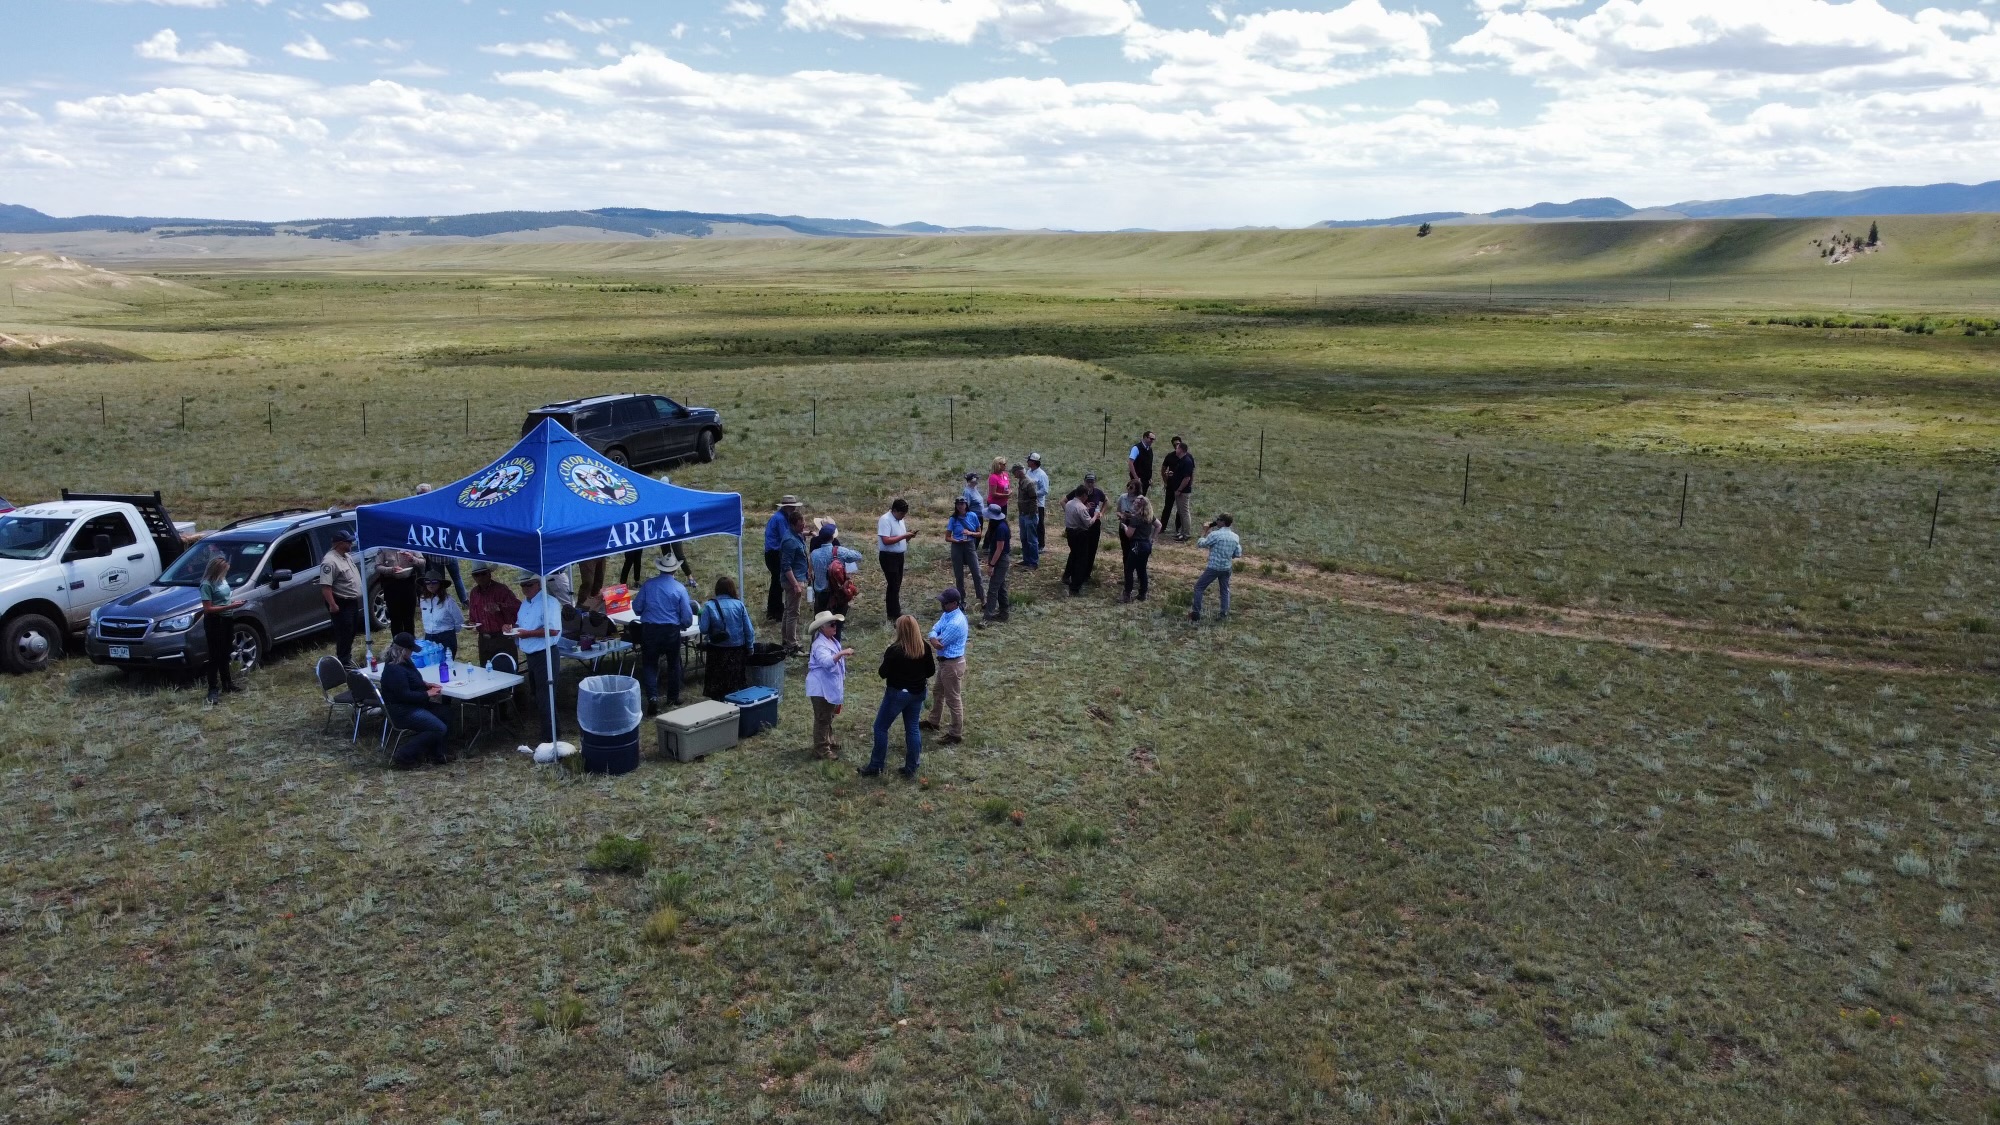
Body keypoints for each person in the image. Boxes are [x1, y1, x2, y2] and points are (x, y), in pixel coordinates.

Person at [859, 615, 935, 780]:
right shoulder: (924, 647)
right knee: (912, 729)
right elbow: (930, 672)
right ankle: (911, 767)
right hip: (918, 693)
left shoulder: (895, 650)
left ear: (900, 630)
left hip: (897, 694)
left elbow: (882, 673)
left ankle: (876, 765)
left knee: (880, 728)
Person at [378, 631, 451, 768]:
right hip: (402, 710)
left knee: (445, 713)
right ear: (403, 650)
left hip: (413, 705)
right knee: (438, 728)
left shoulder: (405, 662)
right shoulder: (394, 670)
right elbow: (404, 695)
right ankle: (405, 754)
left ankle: (437, 753)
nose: (413, 652)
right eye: (411, 650)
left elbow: (411, 680)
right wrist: (427, 694)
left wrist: (424, 684)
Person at [635, 555, 694, 711]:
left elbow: (637, 607)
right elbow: (687, 616)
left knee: (649, 664)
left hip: (650, 629)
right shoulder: (680, 588)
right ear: (675, 569)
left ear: (660, 568)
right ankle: (672, 697)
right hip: (671, 630)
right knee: (674, 663)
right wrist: (682, 625)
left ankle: (653, 698)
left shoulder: (648, 585)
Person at [514, 574, 560, 744]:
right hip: (531, 654)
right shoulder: (525, 603)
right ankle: (548, 732)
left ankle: (551, 735)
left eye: (528, 585)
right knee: (537, 694)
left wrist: (528, 634)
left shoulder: (550, 603)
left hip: (545, 653)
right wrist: (512, 628)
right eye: (523, 585)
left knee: (545, 696)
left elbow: (554, 630)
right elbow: (521, 625)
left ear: (538, 584)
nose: (525, 588)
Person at [920, 588, 968, 746]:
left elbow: (940, 643)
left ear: (954, 603)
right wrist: (933, 636)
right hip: (946, 662)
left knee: (953, 699)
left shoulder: (956, 623)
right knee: (938, 692)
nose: (942, 604)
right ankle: (934, 721)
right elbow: (934, 630)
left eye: (944, 602)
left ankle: (955, 733)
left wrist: (933, 638)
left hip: (952, 664)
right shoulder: (947, 614)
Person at [699, 575, 755, 700]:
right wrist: (750, 647)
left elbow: (703, 629)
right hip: (737, 649)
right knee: (735, 684)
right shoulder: (739, 605)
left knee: (717, 685)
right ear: (732, 589)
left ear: (717, 589)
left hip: (716, 650)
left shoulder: (708, 606)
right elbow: (749, 630)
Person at [805, 610, 852, 760]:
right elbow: (826, 662)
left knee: (828, 716)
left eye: (835, 624)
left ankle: (827, 741)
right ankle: (821, 749)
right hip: (821, 688)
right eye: (832, 624)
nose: (835, 627)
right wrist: (841, 653)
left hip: (827, 686)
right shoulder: (819, 645)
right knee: (822, 719)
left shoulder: (830, 640)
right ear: (822, 628)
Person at [413, 484, 468, 602]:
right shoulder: (439, 507)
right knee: (454, 578)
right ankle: (462, 601)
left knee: (441, 579)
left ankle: (442, 600)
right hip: (446, 550)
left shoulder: (417, 509)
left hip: (435, 552)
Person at [199, 554, 242, 704]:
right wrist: (231, 606)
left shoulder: (222, 580)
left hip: (227, 619)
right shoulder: (206, 584)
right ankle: (212, 689)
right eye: (224, 571)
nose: (226, 574)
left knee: (225, 652)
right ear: (217, 570)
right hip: (215, 621)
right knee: (215, 655)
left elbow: (224, 597)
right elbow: (208, 608)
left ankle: (227, 683)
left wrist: (232, 603)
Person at [319, 528, 365, 666]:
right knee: (344, 632)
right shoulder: (330, 561)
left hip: (351, 601)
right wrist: (333, 605)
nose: (351, 543)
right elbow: (326, 587)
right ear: (339, 543)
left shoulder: (346, 556)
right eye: (348, 541)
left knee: (351, 630)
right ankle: (344, 662)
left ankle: (347, 656)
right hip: (340, 602)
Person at [1191, 512, 1244, 623]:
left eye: (1218, 519)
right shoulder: (1235, 537)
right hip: (1226, 567)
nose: (1216, 521)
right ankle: (1223, 614)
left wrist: (1204, 531)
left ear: (1223, 522)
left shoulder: (1215, 534)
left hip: (1213, 567)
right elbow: (1238, 553)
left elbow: (1201, 544)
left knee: (1199, 588)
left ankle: (1196, 613)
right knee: (1225, 590)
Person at [467, 563, 520, 667]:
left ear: (489, 574)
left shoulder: (501, 589)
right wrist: (470, 623)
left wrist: (500, 606)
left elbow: (517, 607)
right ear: (474, 577)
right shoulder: (474, 593)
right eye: (477, 575)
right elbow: (472, 616)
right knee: (486, 672)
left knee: (508, 672)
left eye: (483, 574)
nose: (480, 577)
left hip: (502, 638)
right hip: (484, 639)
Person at [809, 521, 863, 618]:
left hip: (820, 594)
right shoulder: (839, 551)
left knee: (820, 623)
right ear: (832, 537)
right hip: (837, 592)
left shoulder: (814, 554)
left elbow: (812, 571)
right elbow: (858, 556)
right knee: (838, 623)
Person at [876, 498, 914, 624]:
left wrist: (907, 537)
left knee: (897, 584)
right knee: (893, 584)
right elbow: (886, 540)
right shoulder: (885, 520)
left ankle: (895, 611)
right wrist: (904, 536)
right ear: (895, 510)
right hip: (888, 556)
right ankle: (893, 613)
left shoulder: (900, 520)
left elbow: (898, 538)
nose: (903, 516)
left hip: (899, 555)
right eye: (901, 513)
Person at [763, 495, 800, 622]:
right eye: (793, 506)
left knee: (776, 582)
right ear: (788, 507)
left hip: (773, 553)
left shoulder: (781, 517)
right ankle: (776, 611)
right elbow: (786, 537)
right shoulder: (781, 519)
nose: (795, 508)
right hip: (775, 553)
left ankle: (774, 610)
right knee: (778, 582)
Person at [779, 509, 810, 653]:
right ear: (792, 525)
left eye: (803, 524)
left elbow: (800, 533)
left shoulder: (794, 535)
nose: (802, 527)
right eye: (800, 525)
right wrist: (796, 585)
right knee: (793, 613)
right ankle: (792, 643)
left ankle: (786, 639)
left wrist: (807, 533)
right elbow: (786, 566)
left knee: (788, 610)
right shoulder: (790, 541)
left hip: (797, 578)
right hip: (793, 580)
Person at [945, 496, 985, 608]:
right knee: (959, 575)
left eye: (962, 504)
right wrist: (956, 540)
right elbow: (947, 537)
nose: (960, 506)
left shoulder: (972, 516)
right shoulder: (953, 519)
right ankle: (961, 599)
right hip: (957, 546)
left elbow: (979, 533)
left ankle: (982, 598)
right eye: (958, 504)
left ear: (966, 505)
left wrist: (970, 533)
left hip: (969, 545)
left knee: (976, 573)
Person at [375, 547, 421, 639]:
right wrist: (391, 569)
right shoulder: (383, 549)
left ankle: (410, 642)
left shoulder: (409, 545)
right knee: (395, 617)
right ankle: (397, 643)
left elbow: (422, 561)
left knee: (409, 617)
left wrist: (412, 559)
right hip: (391, 584)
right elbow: (377, 566)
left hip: (408, 583)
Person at [1121, 494, 1157, 603]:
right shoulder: (1150, 516)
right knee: (1142, 570)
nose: (1134, 504)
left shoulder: (1136, 518)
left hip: (1137, 546)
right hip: (1146, 545)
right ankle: (1142, 594)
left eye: (1136, 503)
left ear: (1139, 505)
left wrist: (1125, 527)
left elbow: (1129, 534)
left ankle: (1127, 594)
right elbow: (1159, 525)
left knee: (1129, 569)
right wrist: (1153, 538)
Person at [980, 503, 1011, 625]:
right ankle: (1004, 612)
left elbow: (999, 549)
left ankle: (987, 617)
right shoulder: (1001, 526)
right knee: (1000, 587)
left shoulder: (1000, 529)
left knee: (993, 589)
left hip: (1000, 561)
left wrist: (992, 565)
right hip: (999, 560)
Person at [1160, 436, 1195, 541]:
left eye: (1178, 447)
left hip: (1182, 491)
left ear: (1182, 450)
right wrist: (1170, 475)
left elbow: (1187, 477)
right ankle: (1181, 532)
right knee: (1179, 511)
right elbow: (1179, 474)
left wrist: (1179, 489)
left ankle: (1186, 534)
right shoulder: (1180, 459)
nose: (1176, 449)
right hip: (1175, 489)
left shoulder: (1187, 460)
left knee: (1184, 513)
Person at [419, 574, 463, 658]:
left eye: (434, 582)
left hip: (445, 637)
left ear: (440, 584)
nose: (431, 585)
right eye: (427, 582)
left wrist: (452, 632)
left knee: (446, 666)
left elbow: (459, 619)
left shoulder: (448, 600)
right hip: (429, 637)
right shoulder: (422, 599)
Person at [1012, 464, 1040, 569]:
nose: (1014, 475)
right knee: (1024, 538)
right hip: (1023, 514)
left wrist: (1032, 514)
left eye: (1014, 472)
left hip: (1029, 515)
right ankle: (1026, 559)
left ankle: (1033, 562)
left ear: (1019, 472)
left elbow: (1034, 500)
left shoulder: (1029, 483)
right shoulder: (1022, 482)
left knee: (1031, 540)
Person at [1115, 478, 1141, 581]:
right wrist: (1121, 515)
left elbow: (1141, 515)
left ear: (1136, 489)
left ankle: (1137, 574)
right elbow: (1117, 511)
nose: (1129, 489)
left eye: (1131, 487)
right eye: (1128, 486)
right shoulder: (1123, 497)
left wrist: (1130, 516)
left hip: (1134, 527)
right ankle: (1127, 575)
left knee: (1134, 551)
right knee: (1125, 551)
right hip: (1123, 525)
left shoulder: (1139, 499)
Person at [1025, 453, 1050, 553]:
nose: (1027, 462)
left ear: (1034, 462)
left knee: (1039, 524)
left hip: (1038, 504)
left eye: (1029, 460)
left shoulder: (1042, 475)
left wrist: (1033, 494)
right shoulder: (1028, 472)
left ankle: (1041, 545)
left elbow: (1045, 490)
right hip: (1027, 503)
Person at [1128, 430, 1156, 495]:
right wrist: (1136, 478)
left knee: (1142, 499)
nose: (1152, 441)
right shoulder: (1136, 448)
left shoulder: (1150, 450)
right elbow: (1130, 463)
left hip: (1146, 481)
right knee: (1134, 499)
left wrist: (1150, 478)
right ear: (1145, 437)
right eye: (1151, 439)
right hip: (1138, 480)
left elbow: (1149, 465)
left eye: (1153, 439)